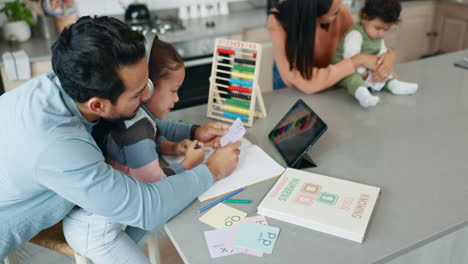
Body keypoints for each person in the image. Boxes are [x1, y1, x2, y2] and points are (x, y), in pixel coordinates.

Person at [0, 16, 240, 259]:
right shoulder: (58, 145)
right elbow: (147, 207)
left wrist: (194, 131)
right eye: (138, 94)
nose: (148, 95)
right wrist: (212, 170)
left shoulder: (69, 86)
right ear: (98, 106)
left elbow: (141, 120)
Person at [62, 38, 208, 263]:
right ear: (147, 87)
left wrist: (175, 143)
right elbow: (157, 187)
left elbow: (155, 128)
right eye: (173, 91)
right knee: (168, 206)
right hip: (97, 232)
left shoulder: (128, 112)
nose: (177, 98)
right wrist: (190, 163)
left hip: (100, 218)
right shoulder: (136, 130)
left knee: (164, 215)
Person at [268, 0, 396, 93]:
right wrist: (357, 61)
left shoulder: (337, 7)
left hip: (333, 76)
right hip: (297, 86)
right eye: (334, 13)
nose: (340, 11)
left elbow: (361, 42)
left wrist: (388, 56)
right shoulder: (278, 21)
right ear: (313, 15)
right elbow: (306, 82)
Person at [333, 0, 418, 108]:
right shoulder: (356, 34)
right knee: (353, 79)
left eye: (385, 30)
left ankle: (394, 85)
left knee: (383, 76)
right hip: (346, 70)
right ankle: (363, 95)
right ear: (364, 17)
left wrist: (384, 69)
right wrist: (363, 73)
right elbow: (350, 59)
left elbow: (382, 53)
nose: (381, 33)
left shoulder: (377, 36)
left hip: (367, 68)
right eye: (377, 28)